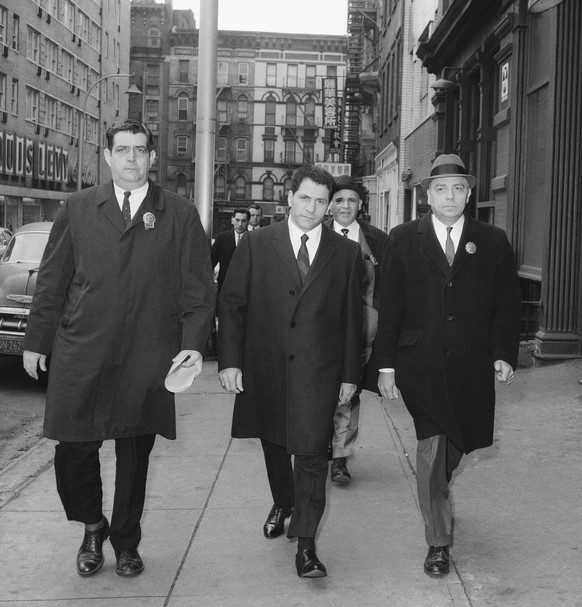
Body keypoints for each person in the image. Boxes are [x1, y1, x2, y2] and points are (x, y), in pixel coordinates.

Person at [22, 119, 215, 579]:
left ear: (152, 157)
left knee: (134, 455)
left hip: (147, 355)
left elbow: (197, 291)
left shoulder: (180, 214)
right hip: (81, 351)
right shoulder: (79, 207)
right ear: (107, 156)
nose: (131, 158)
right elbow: (52, 280)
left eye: (140, 150)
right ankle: (92, 526)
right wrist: (36, 341)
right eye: (123, 149)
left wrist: (192, 346)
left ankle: (126, 542)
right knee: (73, 450)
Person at [373, 154, 521, 577]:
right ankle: (438, 543)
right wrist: (385, 367)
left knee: (460, 444)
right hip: (419, 364)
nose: (450, 196)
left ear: (470, 194)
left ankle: (436, 493)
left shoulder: (492, 240)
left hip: (472, 364)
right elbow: (391, 306)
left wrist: (503, 354)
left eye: (458, 188)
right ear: (427, 196)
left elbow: (505, 305)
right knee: (432, 449)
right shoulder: (402, 239)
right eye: (441, 189)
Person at [217, 165, 363, 578]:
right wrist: (229, 361)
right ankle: (283, 501)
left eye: (322, 201)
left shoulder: (346, 253)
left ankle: (306, 544)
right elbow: (231, 305)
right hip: (266, 367)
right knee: (276, 445)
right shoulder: (256, 245)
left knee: (314, 454)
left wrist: (351, 374)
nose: (313, 208)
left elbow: (353, 319)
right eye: (305, 198)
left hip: (320, 371)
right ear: (289, 198)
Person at [326, 175, 388, 484]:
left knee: (348, 393)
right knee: (322, 393)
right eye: (339, 200)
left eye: (351, 200)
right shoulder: (317, 235)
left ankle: (340, 457)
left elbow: (388, 288)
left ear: (361, 204)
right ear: (330, 205)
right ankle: (320, 444)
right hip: (323, 333)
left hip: (364, 332)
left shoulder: (378, 240)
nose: (345, 205)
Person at [211, 208, 250, 293]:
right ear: (232, 220)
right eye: (237, 220)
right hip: (225, 286)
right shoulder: (221, 238)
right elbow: (211, 261)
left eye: (243, 221)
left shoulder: (253, 240)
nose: (240, 224)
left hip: (247, 287)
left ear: (248, 222)